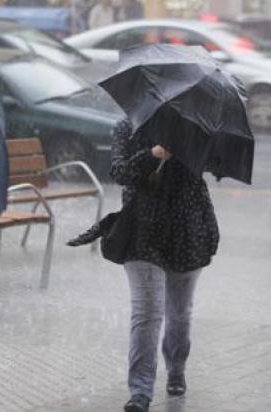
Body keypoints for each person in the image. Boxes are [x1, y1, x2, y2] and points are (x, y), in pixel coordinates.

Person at [109, 119, 220, 412]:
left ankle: (176, 368)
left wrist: (192, 145)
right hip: (141, 233)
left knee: (179, 313)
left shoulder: (196, 127)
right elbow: (119, 172)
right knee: (147, 313)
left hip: (187, 231)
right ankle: (141, 392)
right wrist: (153, 154)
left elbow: (213, 166)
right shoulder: (126, 127)